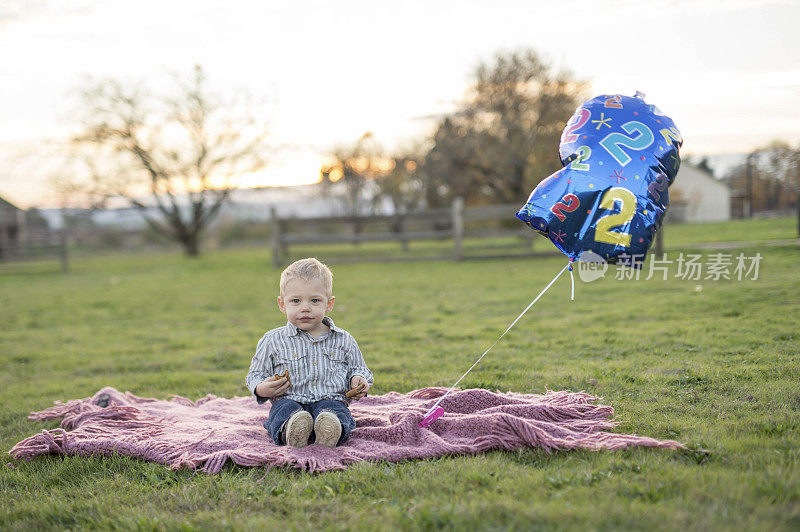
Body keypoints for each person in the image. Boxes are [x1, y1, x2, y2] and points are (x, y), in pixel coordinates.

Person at [245, 258, 373, 447]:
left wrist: (358, 379)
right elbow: (255, 375)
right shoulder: (272, 341)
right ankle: (291, 429)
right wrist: (262, 389)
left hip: (330, 400)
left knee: (336, 412)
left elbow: (359, 369)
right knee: (283, 411)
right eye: (296, 301)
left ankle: (330, 431)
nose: (305, 308)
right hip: (289, 400)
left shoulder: (343, 339)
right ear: (282, 304)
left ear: (329, 304)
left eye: (315, 300)